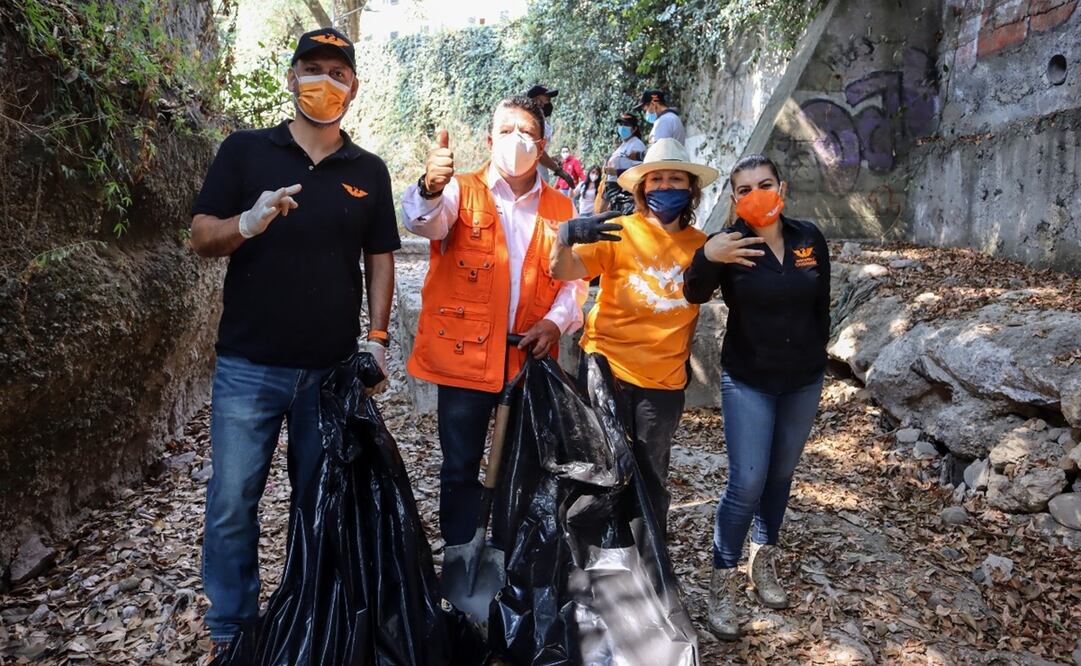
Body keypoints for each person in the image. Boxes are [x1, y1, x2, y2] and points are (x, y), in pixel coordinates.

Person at [189, 27, 399, 659]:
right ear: (290, 77)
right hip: (248, 367)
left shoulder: (369, 170)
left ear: (354, 88)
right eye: (313, 68)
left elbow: (381, 256)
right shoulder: (245, 151)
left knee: (320, 506)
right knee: (231, 505)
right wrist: (247, 223)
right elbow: (201, 235)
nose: (325, 83)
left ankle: (309, 620)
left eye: (338, 73)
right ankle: (233, 631)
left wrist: (380, 337)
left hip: (329, 373)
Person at [400, 96, 586, 579]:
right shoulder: (460, 192)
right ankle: (460, 560)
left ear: (541, 145)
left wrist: (555, 323)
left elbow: (573, 283)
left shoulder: (561, 208)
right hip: (463, 361)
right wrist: (428, 186)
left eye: (525, 132)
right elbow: (423, 220)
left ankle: (506, 562)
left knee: (521, 466)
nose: (515, 141)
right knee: (460, 464)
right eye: (505, 131)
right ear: (489, 139)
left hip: (526, 360)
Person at [682, 154, 830, 640]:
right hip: (748, 380)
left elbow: (821, 307)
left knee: (781, 474)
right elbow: (693, 292)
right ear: (733, 198)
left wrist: (815, 359)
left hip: (802, 381)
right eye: (744, 190)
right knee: (746, 481)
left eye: (764, 184)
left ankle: (763, 560)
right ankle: (721, 581)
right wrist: (708, 256)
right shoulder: (729, 244)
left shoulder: (810, 239)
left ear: (781, 186)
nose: (756, 195)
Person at [549, 138, 718, 536]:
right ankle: (588, 556)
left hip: (662, 382)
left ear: (690, 188)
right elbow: (563, 271)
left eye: (675, 178)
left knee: (651, 474)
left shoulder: (702, 246)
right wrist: (564, 235)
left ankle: (647, 561)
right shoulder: (619, 231)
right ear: (642, 188)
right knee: (598, 467)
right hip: (605, 370)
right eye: (656, 179)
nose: (664, 186)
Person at [526, 84, 575, 187]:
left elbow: (539, 152)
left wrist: (550, 160)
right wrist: (558, 170)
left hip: (538, 179)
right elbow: (536, 151)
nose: (548, 100)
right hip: (530, 180)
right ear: (536, 99)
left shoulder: (539, 120)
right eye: (546, 97)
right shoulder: (529, 120)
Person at [601, 113, 647, 215]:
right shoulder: (622, 146)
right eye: (620, 124)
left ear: (634, 129)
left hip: (624, 190)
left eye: (626, 124)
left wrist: (616, 172)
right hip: (611, 189)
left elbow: (639, 172)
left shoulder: (637, 145)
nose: (622, 127)